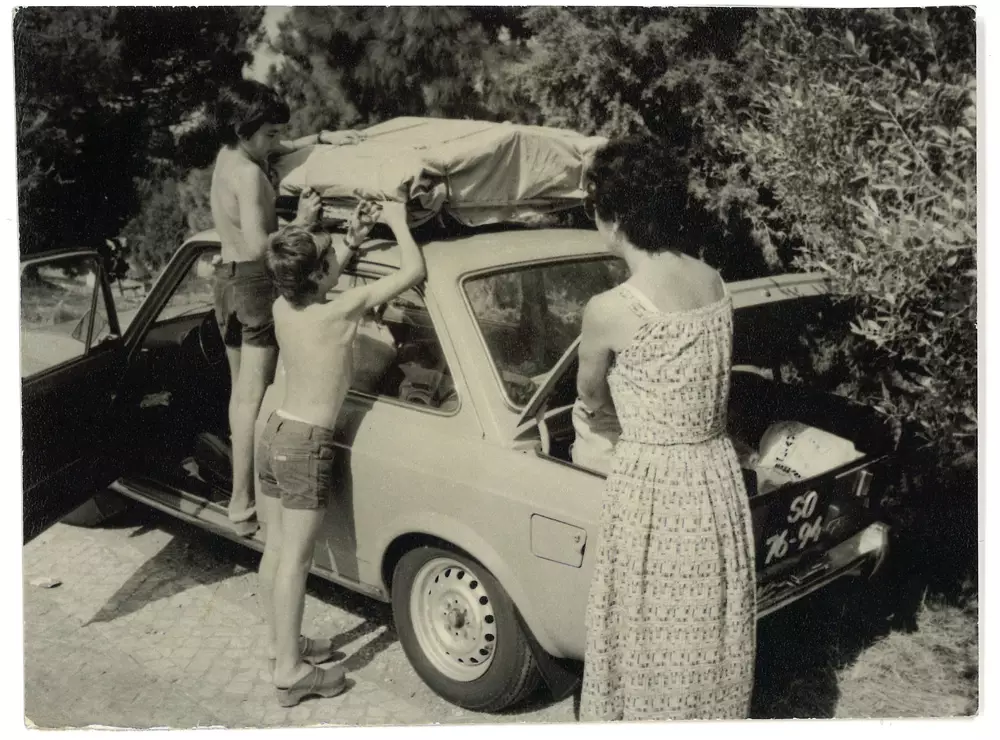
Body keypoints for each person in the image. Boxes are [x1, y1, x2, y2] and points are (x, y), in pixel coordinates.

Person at [575, 136, 756, 721]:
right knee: (707, 633)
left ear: (615, 217)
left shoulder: (611, 309)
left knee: (647, 633)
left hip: (653, 484)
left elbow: (588, 394)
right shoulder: (714, 281)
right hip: (714, 473)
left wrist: (598, 415)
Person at [258, 200, 425, 706]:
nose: (338, 258)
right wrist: (397, 218)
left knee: (276, 549)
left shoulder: (283, 305)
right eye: (331, 256)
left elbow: (318, 275)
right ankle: (290, 673)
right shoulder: (341, 311)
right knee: (297, 559)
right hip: (307, 444)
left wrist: (349, 241)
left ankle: (280, 645)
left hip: (276, 432)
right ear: (321, 274)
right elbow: (413, 270)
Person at [209, 79, 363, 536]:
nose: (277, 143)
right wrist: (302, 221)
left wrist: (319, 139)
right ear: (243, 129)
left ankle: (240, 497)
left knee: (240, 397)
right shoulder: (251, 175)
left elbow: (276, 149)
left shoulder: (230, 157)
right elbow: (261, 245)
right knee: (256, 400)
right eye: (271, 134)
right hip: (257, 283)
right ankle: (243, 503)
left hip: (228, 282)